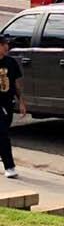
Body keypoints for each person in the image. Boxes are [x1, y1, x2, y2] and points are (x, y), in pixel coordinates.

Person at [0, 34, 26, 179]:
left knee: (3, 130)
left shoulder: (11, 62)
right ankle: (9, 166)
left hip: (8, 102)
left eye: (7, 44)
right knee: (2, 133)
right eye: (3, 44)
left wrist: (21, 100)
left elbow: (16, 83)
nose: (6, 47)